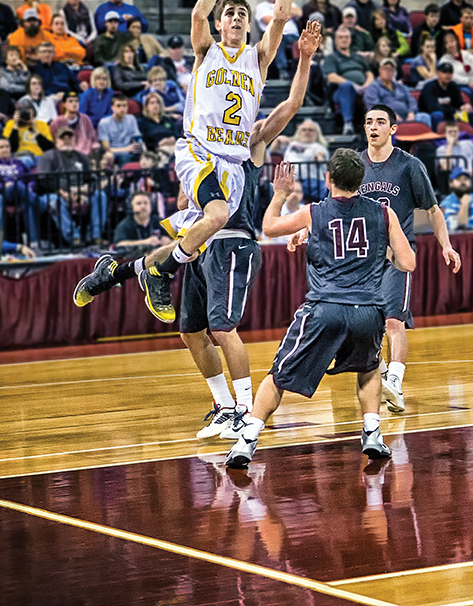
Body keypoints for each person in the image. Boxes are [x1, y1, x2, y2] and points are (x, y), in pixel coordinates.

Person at [76, 22, 324, 448]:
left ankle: (245, 411)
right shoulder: (205, 147)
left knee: (223, 328)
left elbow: (292, 104)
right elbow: (183, 199)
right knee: (190, 331)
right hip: (204, 240)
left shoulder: (252, 141)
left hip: (235, 242)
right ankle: (224, 406)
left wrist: (304, 59)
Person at [224, 152, 417, 468]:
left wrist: (280, 195)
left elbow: (269, 227)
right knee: (369, 369)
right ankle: (372, 433)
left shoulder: (314, 211)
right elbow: (407, 262)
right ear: (361, 181)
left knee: (278, 375)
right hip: (368, 310)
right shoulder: (385, 214)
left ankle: (247, 440)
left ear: (328, 179)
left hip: (325, 307)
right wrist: (379, 254)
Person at [136, 0, 294, 320]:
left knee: (203, 229)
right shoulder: (208, 51)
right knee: (219, 216)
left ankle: (133, 271)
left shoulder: (257, 59)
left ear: (249, 25)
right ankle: (160, 276)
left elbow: (281, 18)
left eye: (242, 14)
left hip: (232, 163)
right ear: (220, 24)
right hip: (199, 149)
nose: (237, 18)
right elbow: (197, 16)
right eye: (230, 14)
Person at [349, 105, 463, 413]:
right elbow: (336, 206)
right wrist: (306, 230)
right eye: (369, 122)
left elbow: (432, 210)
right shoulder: (355, 165)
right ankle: (385, 378)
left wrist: (446, 246)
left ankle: (395, 382)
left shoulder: (409, 165)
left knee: (393, 320)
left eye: (380, 122)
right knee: (362, 325)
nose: (373, 126)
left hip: (398, 255)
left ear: (393, 129)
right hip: (363, 257)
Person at [440, 167, 473, 231]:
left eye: (466, 179)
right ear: (451, 184)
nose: (463, 182)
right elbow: (458, 229)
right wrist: (464, 205)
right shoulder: (446, 204)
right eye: (458, 179)